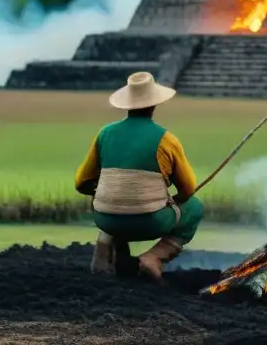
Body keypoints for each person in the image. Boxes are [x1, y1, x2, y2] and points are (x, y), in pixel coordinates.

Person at [74, 71, 203, 282]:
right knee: (195, 208)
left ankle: (106, 241)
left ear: (127, 104)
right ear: (154, 104)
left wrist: (108, 195)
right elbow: (188, 189)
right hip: (149, 222)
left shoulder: (105, 134)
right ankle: (153, 258)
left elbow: (81, 183)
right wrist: (173, 201)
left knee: (114, 205)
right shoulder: (166, 139)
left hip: (105, 219)